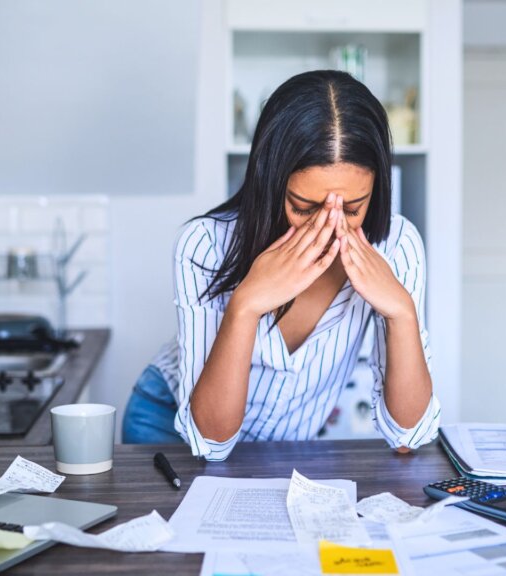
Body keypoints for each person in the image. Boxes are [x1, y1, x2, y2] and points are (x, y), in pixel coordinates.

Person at [122, 70, 440, 461]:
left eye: (353, 208)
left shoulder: (398, 246)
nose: (329, 225)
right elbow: (210, 442)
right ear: (270, 181)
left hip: (283, 447)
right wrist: (246, 305)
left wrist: (402, 312)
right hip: (166, 423)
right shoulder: (204, 245)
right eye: (304, 208)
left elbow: (409, 436)